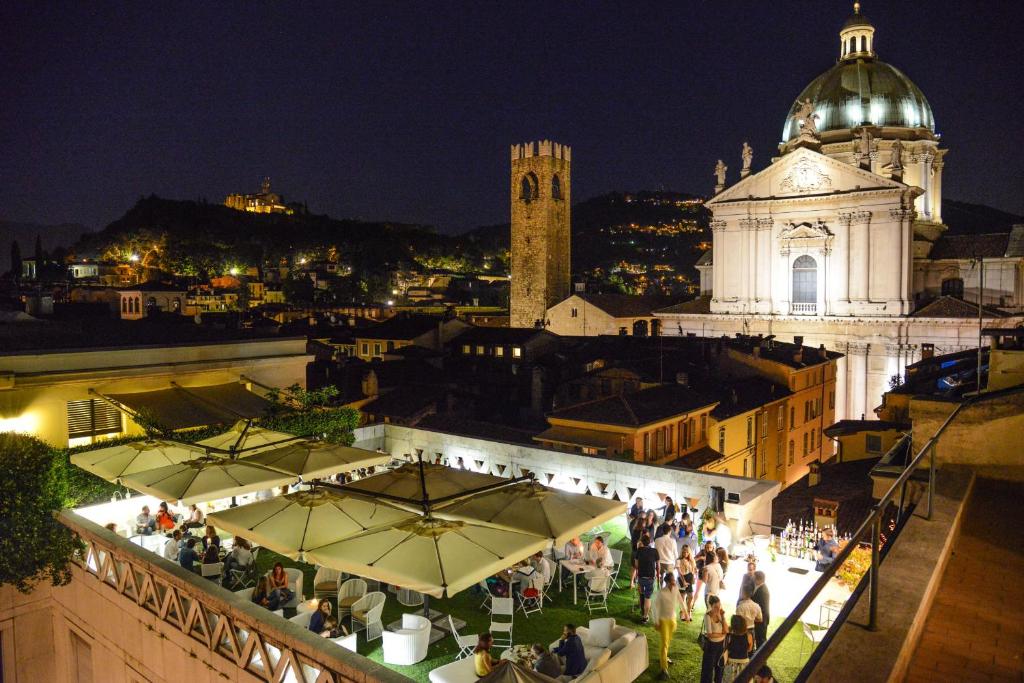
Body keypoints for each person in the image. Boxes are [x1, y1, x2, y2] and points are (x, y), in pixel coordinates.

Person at [652, 572, 686, 680]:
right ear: (666, 582)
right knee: (664, 644)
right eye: (671, 582)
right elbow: (655, 608)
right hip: (663, 621)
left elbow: (681, 600)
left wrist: (686, 613)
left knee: (668, 641)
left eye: (674, 582)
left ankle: (665, 658)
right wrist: (656, 621)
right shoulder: (661, 593)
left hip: (672, 620)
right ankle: (663, 669)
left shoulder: (675, 589)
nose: (673, 584)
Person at [633, 532, 660, 623]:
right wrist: (658, 577)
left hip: (641, 577)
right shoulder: (654, 551)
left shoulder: (639, 551)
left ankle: (642, 609)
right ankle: (645, 616)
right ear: (650, 542)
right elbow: (658, 566)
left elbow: (636, 565)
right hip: (650, 578)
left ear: (642, 542)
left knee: (642, 593)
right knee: (648, 597)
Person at [700, 595, 727, 683]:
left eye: (719, 606)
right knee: (708, 670)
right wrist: (722, 634)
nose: (718, 609)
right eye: (716, 607)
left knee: (720, 668)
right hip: (711, 646)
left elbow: (726, 630)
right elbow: (709, 634)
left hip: (721, 645)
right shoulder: (708, 616)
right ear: (711, 606)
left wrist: (723, 617)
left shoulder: (720, 614)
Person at [722, 614, 755, 682]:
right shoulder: (749, 636)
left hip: (731, 663)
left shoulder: (729, 636)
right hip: (744, 662)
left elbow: (725, 648)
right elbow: (749, 649)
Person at [751, 571, 770, 649]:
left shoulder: (763, 591)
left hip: (761, 620)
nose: (752, 579)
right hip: (760, 619)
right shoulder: (759, 587)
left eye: (753, 578)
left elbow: (762, 609)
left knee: (761, 641)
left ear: (758, 580)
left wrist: (756, 618)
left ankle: (762, 660)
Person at [678, 545, 697, 619]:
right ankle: (682, 612)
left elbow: (694, 569)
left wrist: (694, 573)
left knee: (691, 597)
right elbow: (680, 573)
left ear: (689, 552)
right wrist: (684, 581)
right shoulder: (679, 560)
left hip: (690, 579)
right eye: (684, 552)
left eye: (687, 552)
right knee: (682, 597)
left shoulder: (692, 560)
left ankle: (689, 612)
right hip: (682, 579)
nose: (685, 553)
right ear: (682, 552)